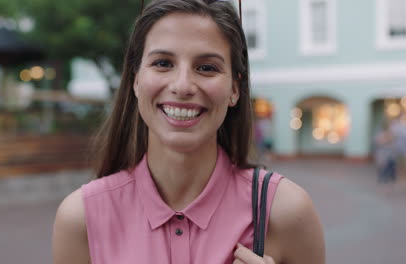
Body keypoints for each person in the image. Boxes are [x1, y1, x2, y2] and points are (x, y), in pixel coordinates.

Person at [52, 0, 325, 263]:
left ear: (234, 89)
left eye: (206, 68)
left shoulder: (287, 212)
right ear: (135, 79)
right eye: (162, 63)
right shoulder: (81, 219)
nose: (182, 86)